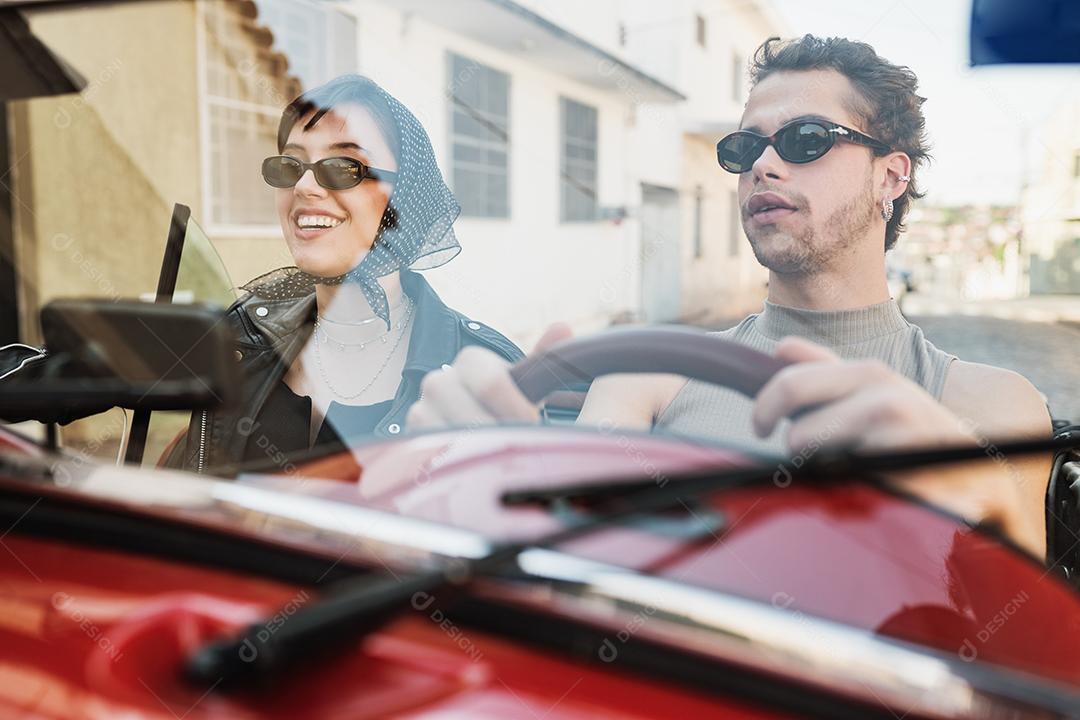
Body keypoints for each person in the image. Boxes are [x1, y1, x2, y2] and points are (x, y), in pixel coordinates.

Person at [405, 36, 1053, 560]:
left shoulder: (993, 404)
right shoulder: (653, 372)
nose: (763, 166)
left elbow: (1031, 658)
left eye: (806, 140)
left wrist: (980, 495)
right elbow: (579, 570)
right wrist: (507, 483)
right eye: (744, 148)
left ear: (891, 174)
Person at [162, 74, 522, 474]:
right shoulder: (241, 340)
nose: (304, 186)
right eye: (290, 165)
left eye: (344, 166)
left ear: (403, 194)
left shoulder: (479, 372)